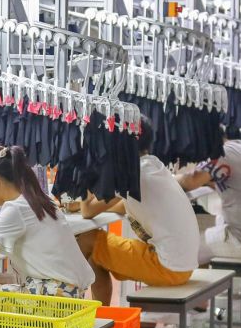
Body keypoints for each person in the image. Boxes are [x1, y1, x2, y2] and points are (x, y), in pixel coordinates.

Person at [0, 145, 95, 328]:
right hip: (69, 297)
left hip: (54, 303)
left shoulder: (15, 209)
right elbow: (32, 243)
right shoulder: (39, 199)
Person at [75, 116, 199, 303]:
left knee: (87, 239)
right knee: (96, 255)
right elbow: (123, 205)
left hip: (167, 267)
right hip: (182, 265)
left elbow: (88, 212)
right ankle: (102, 317)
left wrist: (85, 166)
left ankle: (91, 319)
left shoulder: (132, 172)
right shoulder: (152, 165)